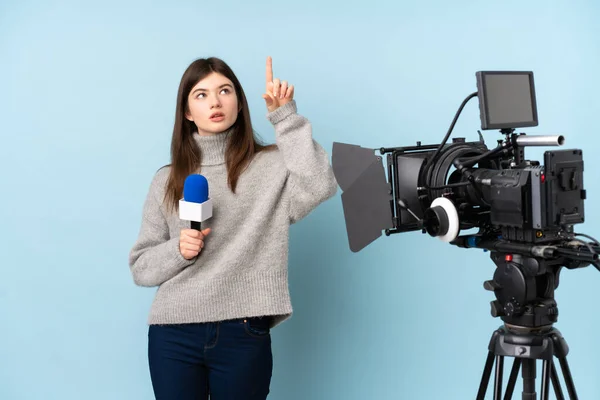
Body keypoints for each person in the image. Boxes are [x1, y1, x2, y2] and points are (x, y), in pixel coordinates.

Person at [128, 56, 338, 400]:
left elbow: (320, 184)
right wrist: (178, 250)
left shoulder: (271, 166)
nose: (215, 101)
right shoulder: (166, 180)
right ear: (186, 112)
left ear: (239, 103)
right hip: (173, 333)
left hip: (242, 331)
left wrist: (285, 117)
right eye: (201, 94)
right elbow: (140, 267)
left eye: (225, 91)